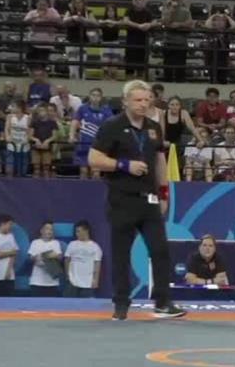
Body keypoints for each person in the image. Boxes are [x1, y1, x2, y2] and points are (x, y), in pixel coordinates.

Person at [87, 80, 187, 321]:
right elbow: (94, 159)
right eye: (138, 100)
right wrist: (124, 165)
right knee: (121, 254)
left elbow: (160, 161)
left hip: (149, 199)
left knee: (160, 250)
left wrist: (164, 193)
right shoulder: (112, 126)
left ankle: (163, 303)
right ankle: (121, 304)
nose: (143, 104)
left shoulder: (154, 127)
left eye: (147, 100)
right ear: (125, 102)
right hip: (122, 198)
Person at [72, 88, 113, 179]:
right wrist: (72, 135)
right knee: (83, 171)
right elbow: (75, 122)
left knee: (96, 172)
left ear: (101, 98)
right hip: (83, 144)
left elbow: (111, 125)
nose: (95, 98)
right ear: (89, 96)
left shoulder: (106, 110)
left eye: (97, 96)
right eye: (93, 95)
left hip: (98, 145)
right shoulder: (82, 108)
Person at [63, 220, 102, 298]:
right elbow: (67, 260)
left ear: (86, 231)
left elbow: (97, 264)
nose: (77, 234)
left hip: (88, 283)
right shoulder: (72, 244)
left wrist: (96, 280)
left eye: (78, 231)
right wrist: (68, 276)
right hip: (73, 282)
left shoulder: (95, 247)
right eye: (76, 232)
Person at [26, 221, 64, 297]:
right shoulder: (35, 242)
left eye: (51, 229)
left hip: (52, 282)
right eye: (47, 229)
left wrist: (54, 256)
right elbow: (31, 257)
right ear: (41, 230)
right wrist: (39, 257)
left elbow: (60, 257)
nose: (49, 231)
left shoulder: (55, 243)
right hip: (37, 282)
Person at [29, 102, 58, 179]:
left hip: (47, 148)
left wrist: (47, 141)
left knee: (46, 169)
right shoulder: (34, 122)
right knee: (36, 169)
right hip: (36, 147)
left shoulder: (52, 123)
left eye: (42, 110)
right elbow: (30, 135)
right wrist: (36, 140)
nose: (41, 112)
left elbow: (54, 136)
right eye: (39, 111)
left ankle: (47, 184)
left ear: (47, 111)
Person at [4, 100, 31, 178]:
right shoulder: (10, 117)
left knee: (22, 167)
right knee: (10, 166)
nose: (11, 108)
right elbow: (6, 128)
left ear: (19, 108)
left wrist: (27, 139)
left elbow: (30, 130)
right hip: (12, 143)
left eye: (13, 106)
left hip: (23, 144)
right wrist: (7, 136)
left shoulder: (28, 117)